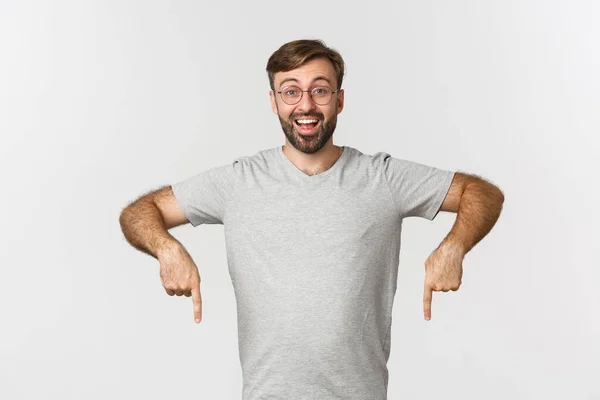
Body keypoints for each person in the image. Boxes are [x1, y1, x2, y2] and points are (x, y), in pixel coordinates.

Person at [119, 39, 504, 400]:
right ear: (274, 102)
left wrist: (453, 246)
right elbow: (140, 212)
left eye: (320, 90)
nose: (305, 105)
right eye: (291, 91)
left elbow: (482, 193)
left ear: (338, 100)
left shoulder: (383, 178)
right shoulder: (239, 181)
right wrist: (167, 248)